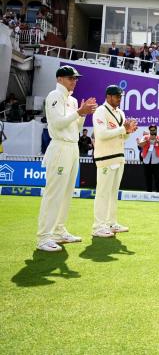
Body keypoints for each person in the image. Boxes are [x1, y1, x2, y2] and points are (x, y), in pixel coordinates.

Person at [36, 65, 97, 252]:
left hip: (72, 146)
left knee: (66, 192)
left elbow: (75, 129)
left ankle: (59, 231)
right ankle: (44, 237)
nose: (75, 81)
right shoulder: (55, 96)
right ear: (60, 79)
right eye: (71, 78)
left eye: (76, 79)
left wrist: (83, 115)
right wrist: (79, 112)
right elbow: (56, 124)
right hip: (60, 146)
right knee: (53, 193)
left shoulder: (72, 100)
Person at [92, 85, 137, 237]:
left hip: (119, 156)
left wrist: (128, 131)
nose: (119, 99)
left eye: (121, 96)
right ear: (109, 96)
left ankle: (111, 223)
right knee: (103, 193)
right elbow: (102, 134)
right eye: (117, 96)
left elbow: (122, 136)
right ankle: (98, 226)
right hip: (105, 157)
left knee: (113, 192)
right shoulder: (100, 111)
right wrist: (123, 129)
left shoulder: (120, 113)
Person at [138, 124, 159, 192]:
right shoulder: (145, 137)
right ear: (149, 130)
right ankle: (148, 193)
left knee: (158, 179)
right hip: (146, 161)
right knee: (148, 178)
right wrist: (148, 140)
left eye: (154, 130)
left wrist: (157, 141)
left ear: (156, 130)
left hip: (157, 161)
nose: (152, 131)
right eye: (151, 130)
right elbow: (140, 145)